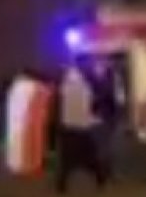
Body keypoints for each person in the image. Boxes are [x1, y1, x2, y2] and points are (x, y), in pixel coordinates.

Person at [54, 58, 107, 193]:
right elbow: (84, 104)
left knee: (68, 160)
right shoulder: (79, 82)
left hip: (69, 126)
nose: (90, 66)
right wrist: (94, 118)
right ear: (82, 65)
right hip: (79, 126)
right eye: (88, 64)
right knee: (90, 157)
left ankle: (62, 185)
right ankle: (100, 178)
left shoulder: (68, 81)